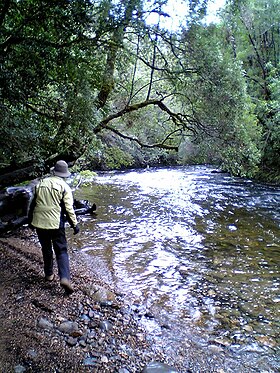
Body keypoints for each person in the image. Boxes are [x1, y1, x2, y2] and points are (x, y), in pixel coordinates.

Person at [29, 160, 79, 295]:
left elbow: (32, 204)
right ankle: (64, 278)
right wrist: (75, 225)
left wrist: (30, 221)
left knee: (46, 248)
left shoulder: (40, 184)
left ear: (53, 171)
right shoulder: (64, 187)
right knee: (61, 250)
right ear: (64, 174)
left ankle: (49, 275)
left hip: (39, 222)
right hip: (56, 224)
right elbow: (69, 209)